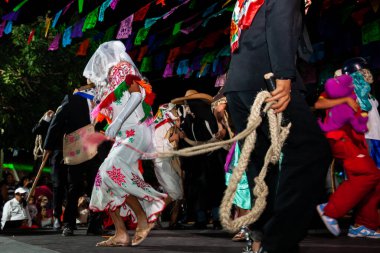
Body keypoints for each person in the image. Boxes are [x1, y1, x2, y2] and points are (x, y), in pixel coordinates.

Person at [223, 1, 332, 253]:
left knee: (262, 166)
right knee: (311, 152)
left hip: (240, 82)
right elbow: (281, 21)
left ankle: (260, 237)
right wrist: (284, 77)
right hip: (268, 79)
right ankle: (278, 241)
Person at [83, 41, 166, 247]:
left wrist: (118, 121)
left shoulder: (123, 68)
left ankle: (144, 215)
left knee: (110, 171)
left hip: (134, 131)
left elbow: (137, 95)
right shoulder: (109, 83)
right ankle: (120, 232)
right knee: (103, 181)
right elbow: (100, 115)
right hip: (123, 136)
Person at [43, 83, 105, 236]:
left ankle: (95, 225)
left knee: (96, 188)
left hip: (96, 151)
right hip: (77, 149)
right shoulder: (72, 100)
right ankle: (69, 224)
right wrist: (48, 146)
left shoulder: (104, 101)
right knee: (74, 187)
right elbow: (56, 123)